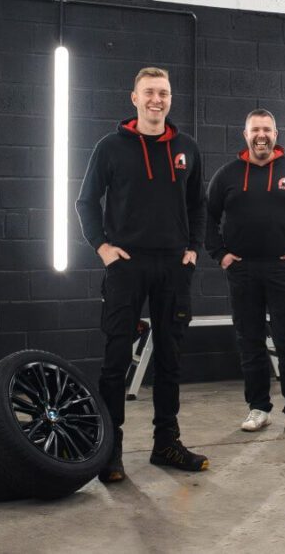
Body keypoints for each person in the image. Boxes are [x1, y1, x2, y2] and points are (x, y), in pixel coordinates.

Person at [75, 67, 207, 481]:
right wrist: (102, 248)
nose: (156, 99)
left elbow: (198, 204)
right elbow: (85, 202)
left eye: (163, 93)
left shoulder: (187, 148)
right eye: (149, 92)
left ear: (170, 99)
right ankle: (109, 450)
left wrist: (193, 249)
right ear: (134, 98)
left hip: (173, 267)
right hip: (126, 266)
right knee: (116, 360)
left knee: (170, 359)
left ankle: (166, 443)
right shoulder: (110, 147)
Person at [205, 109, 285, 435]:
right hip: (242, 271)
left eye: (267, 130)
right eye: (255, 130)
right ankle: (258, 408)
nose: (261, 135)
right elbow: (207, 218)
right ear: (246, 135)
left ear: (275, 134)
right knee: (251, 342)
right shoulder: (227, 175)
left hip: (284, 270)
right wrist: (220, 254)